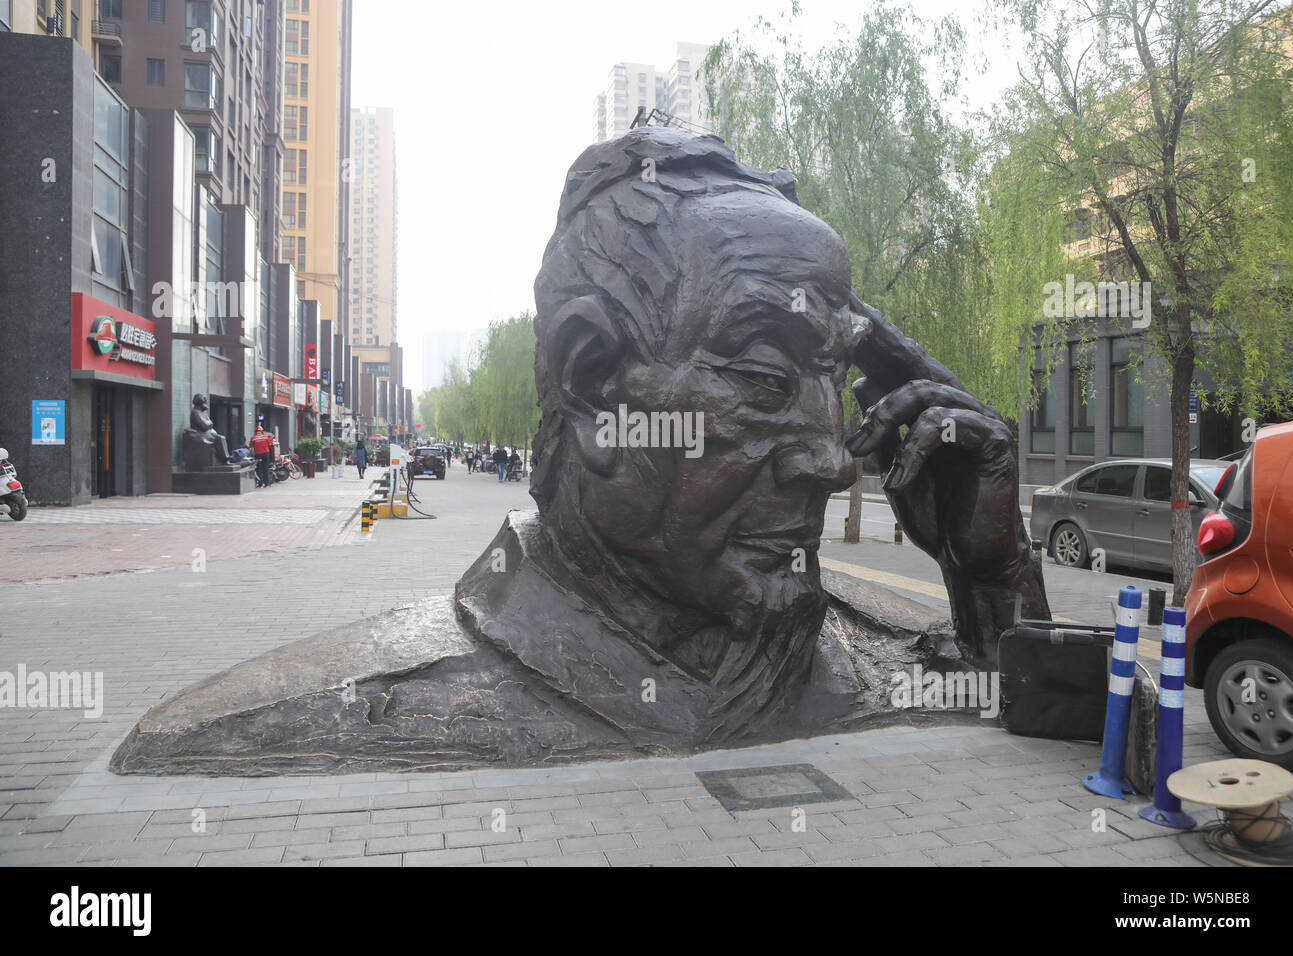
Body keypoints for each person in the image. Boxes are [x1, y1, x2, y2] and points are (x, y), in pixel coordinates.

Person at [116, 128, 1048, 774]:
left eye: (833, 383)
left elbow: (1047, 706)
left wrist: (992, 577)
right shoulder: (340, 715)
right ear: (594, 382)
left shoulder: (884, 646)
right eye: (765, 382)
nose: (834, 460)